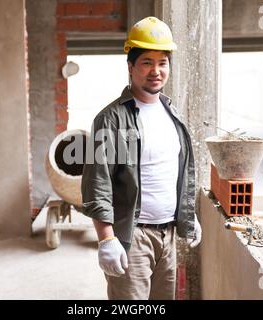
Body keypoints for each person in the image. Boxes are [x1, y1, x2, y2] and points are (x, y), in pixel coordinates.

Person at [81, 16, 201, 300]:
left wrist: (188, 215)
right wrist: (106, 239)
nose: (156, 71)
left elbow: (176, 172)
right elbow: (98, 182)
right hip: (131, 237)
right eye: (147, 62)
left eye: (162, 63)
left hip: (169, 235)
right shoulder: (112, 119)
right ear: (131, 66)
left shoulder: (172, 115)